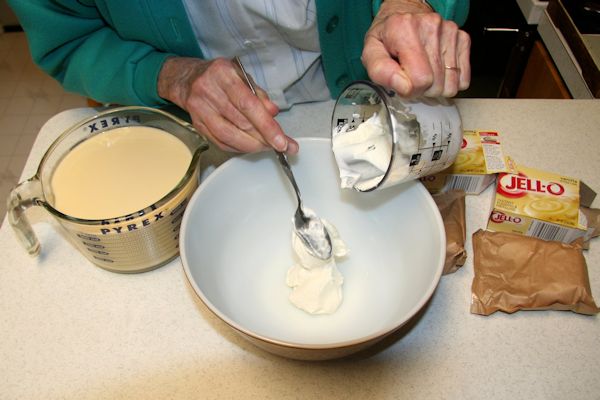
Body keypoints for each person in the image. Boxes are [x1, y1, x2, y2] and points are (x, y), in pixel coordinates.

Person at [9, 0, 471, 155]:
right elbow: (70, 41)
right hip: (196, 133)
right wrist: (171, 76)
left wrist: (410, 4)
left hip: (368, 100)